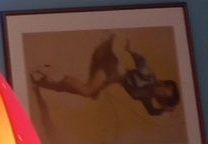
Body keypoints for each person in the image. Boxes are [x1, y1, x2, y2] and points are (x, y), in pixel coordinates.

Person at [31, 34, 181, 117]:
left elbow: (151, 111)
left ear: (162, 99)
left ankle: (45, 82)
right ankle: (49, 72)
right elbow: (141, 63)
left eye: (164, 95)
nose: (161, 91)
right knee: (87, 90)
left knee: (88, 92)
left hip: (113, 77)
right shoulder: (150, 78)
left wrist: (165, 109)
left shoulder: (146, 97)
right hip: (113, 69)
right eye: (164, 89)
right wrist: (130, 50)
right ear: (163, 84)